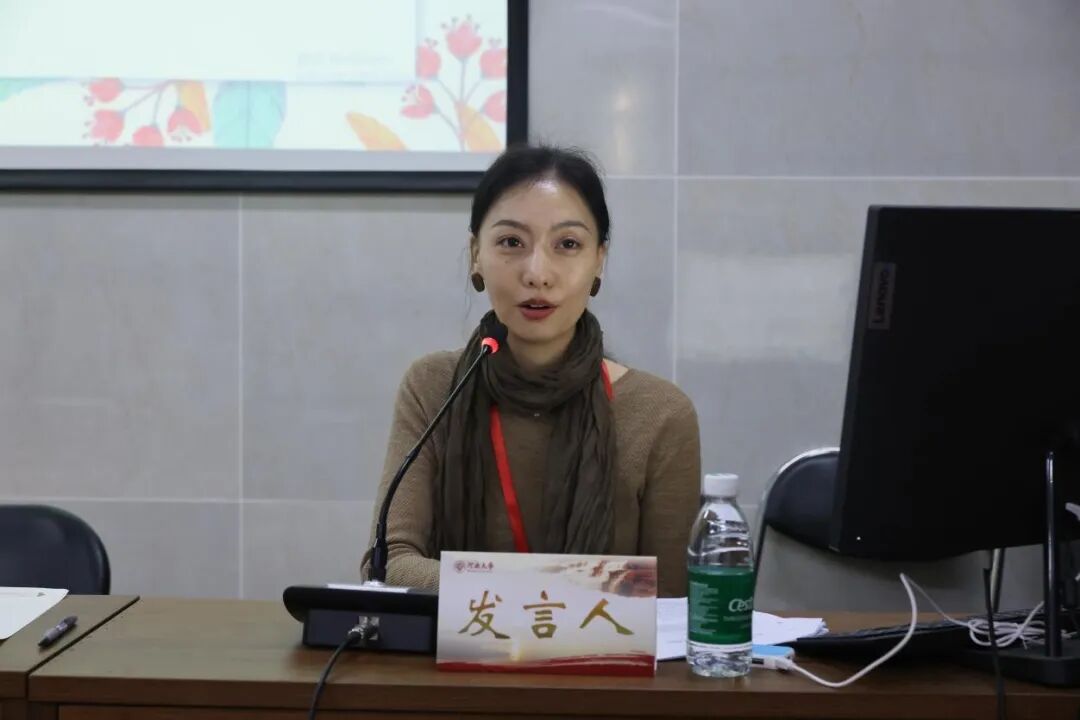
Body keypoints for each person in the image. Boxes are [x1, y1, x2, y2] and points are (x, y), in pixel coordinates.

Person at [363, 144, 701, 597]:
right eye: (511, 243)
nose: (538, 273)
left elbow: (672, 603)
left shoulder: (661, 414)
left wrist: (505, 591)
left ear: (599, 260)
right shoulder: (434, 388)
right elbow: (389, 565)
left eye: (567, 244)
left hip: (600, 647)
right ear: (476, 254)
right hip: (452, 646)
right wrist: (544, 594)